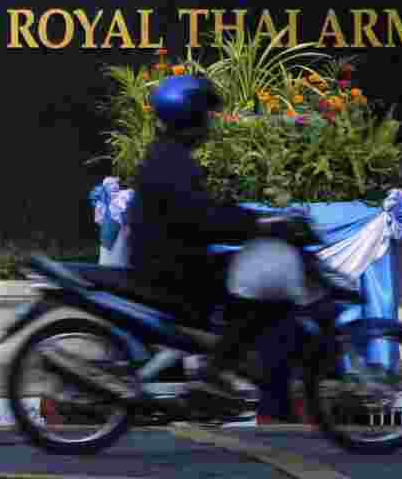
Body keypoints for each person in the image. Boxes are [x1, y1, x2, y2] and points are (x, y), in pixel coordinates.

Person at [125, 74, 305, 410]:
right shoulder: (173, 162)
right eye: (205, 114)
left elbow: (202, 211)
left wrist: (249, 219)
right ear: (189, 116)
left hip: (167, 262)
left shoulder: (168, 155)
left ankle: (222, 369)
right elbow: (204, 221)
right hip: (171, 271)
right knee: (258, 297)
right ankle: (214, 372)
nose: (210, 123)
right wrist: (261, 225)